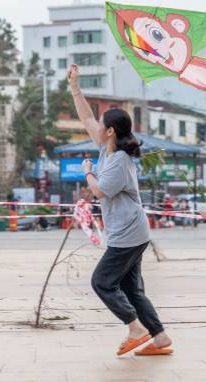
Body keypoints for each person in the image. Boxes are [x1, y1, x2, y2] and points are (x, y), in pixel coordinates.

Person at [68, 64, 173, 356]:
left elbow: (99, 190)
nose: (97, 127)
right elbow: (86, 116)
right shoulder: (107, 149)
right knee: (132, 290)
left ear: (111, 131)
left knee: (101, 282)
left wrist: (87, 171)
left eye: (102, 125)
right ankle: (160, 337)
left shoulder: (118, 161)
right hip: (132, 232)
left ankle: (135, 328)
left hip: (127, 234)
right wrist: (76, 87)